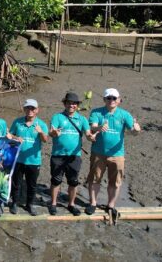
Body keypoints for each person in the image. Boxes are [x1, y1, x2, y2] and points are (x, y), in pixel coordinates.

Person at [86, 88, 141, 221]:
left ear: (119, 100)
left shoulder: (124, 114)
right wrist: (99, 128)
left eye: (114, 98)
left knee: (115, 182)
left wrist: (137, 129)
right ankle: (93, 203)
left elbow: (133, 131)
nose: (111, 100)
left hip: (117, 154)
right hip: (98, 153)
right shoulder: (97, 112)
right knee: (94, 179)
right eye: (109, 98)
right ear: (104, 100)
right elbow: (92, 126)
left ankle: (111, 205)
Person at [47, 92, 93, 216]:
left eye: (74, 103)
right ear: (65, 104)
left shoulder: (82, 119)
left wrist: (91, 137)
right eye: (69, 103)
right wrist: (54, 133)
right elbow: (51, 132)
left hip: (74, 156)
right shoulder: (57, 117)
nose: (71, 105)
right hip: (58, 155)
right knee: (56, 180)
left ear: (77, 105)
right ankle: (53, 203)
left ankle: (71, 204)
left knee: (73, 181)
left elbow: (88, 134)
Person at [8, 99, 49, 216]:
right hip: (18, 159)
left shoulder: (41, 124)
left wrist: (40, 132)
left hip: (34, 161)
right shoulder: (17, 122)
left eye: (32, 108)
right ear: (24, 109)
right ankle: (14, 203)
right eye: (28, 108)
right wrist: (16, 138)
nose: (30, 110)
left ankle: (29, 204)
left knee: (32, 184)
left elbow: (45, 140)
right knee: (16, 182)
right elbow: (10, 135)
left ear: (37, 110)